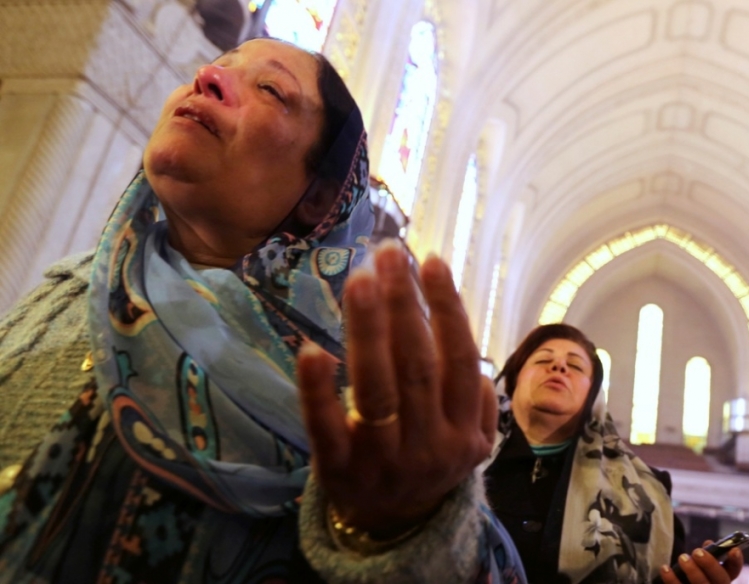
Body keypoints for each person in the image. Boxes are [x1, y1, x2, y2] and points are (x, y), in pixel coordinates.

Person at [0, 38, 524, 583]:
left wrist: (407, 524)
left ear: (321, 196)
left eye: (271, 89)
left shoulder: (366, 393)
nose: (208, 78)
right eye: (213, 68)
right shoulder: (69, 290)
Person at [484, 323, 745, 583]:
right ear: (512, 381)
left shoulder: (649, 495)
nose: (559, 367)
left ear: (593, 394)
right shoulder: (464, 466)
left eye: (575, 366)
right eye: (543, 359)